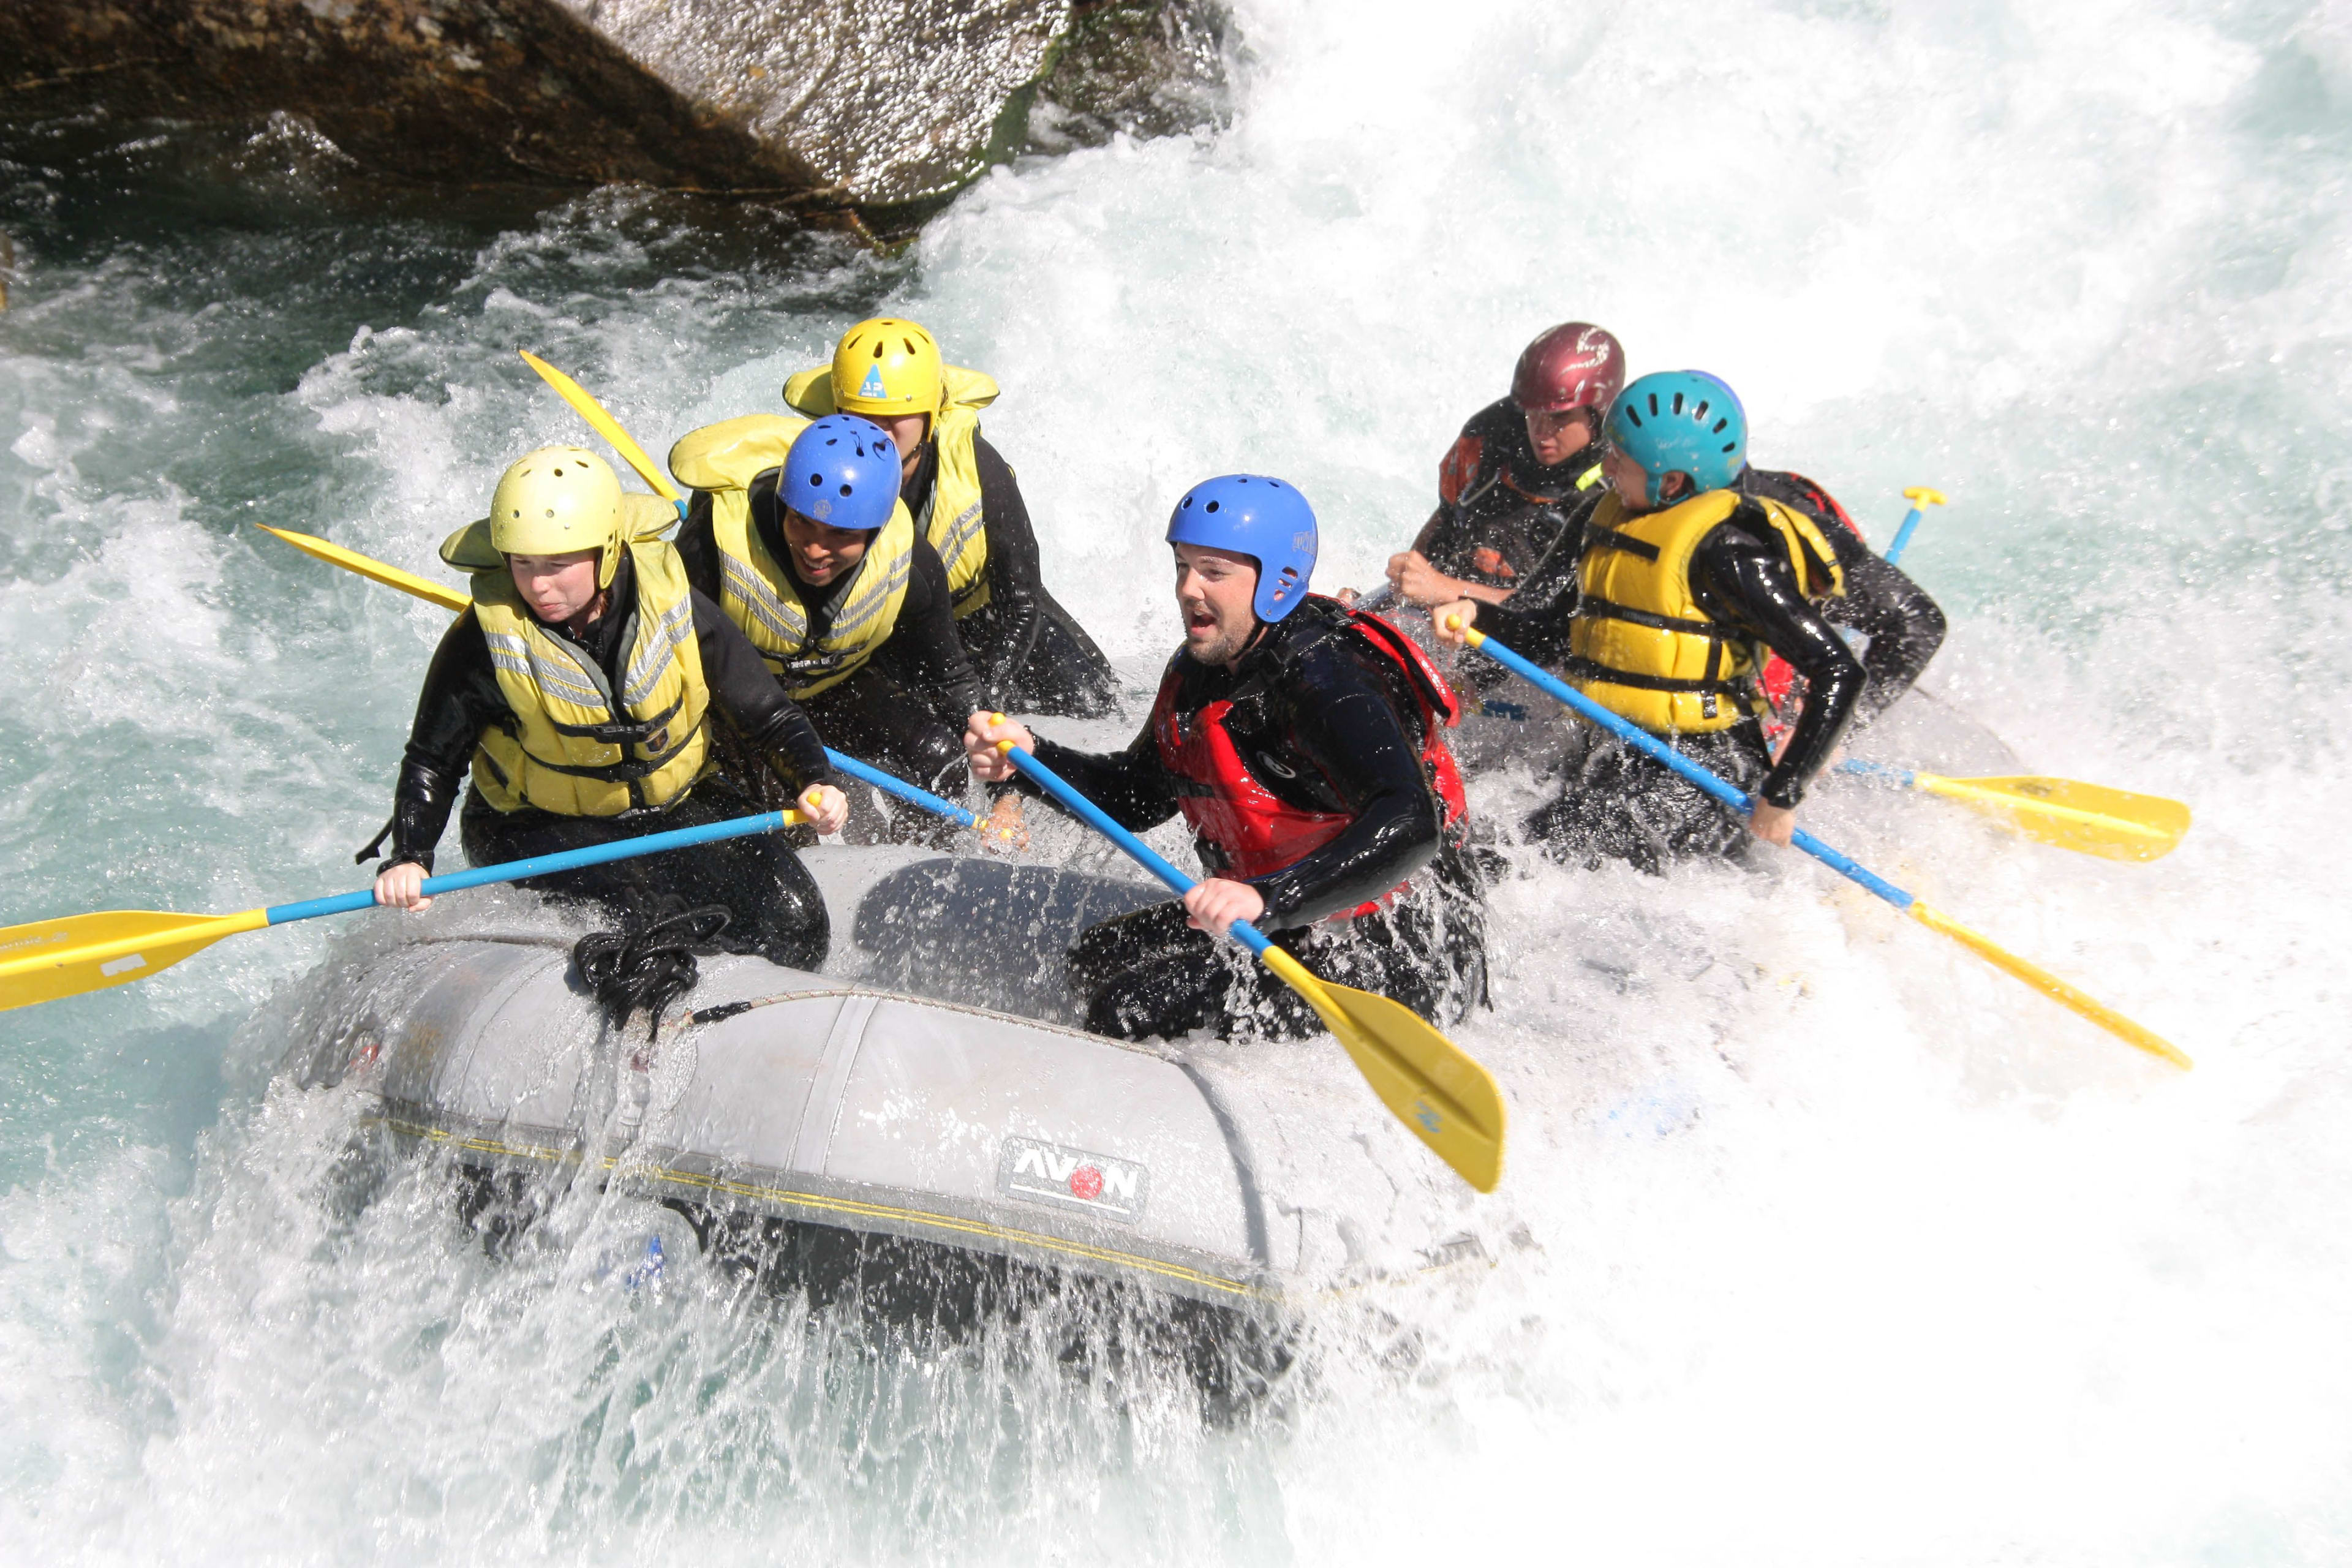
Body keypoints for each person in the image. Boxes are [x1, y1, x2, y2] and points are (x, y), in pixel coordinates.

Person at [967, 475, 1486, 1043]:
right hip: (1297, 918)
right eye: (1182, 567)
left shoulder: (1330, 684)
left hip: (1404, 940)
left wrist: (1265, 898)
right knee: (1096, 957)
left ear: (1279, 583)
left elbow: (1412, 821)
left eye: (1213, 572)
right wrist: (1033, 760)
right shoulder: (1203, 671)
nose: (1188, 589)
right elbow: (1137, 796)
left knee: (1126, 1010)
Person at [370, 447, 851, 968]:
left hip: (672, 804)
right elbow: (432, 761)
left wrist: (814, 780)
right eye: (522, 563)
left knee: (797, 921)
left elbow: (768, 714)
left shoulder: (672, 604)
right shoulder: (482, 641)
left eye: (557, 565)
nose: (537, 585)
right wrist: (411, 857)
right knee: (647, 914)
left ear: (608, 551)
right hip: (533, 824)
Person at [1433, 371, 1863, 871]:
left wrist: (1783, 793)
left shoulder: (1729, 553)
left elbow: (1839, 670)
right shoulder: (1603, 517)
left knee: (1505, 865)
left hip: (1698, 778)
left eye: (1619, 459)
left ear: (1672, 482)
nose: (1605, 467)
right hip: (1615, 755)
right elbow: (1549, 632)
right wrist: (1477, 615)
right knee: (1483, 842)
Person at [670, 412, 990, 842]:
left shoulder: (911, 562)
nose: (815, 550)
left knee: (940, 755)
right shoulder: (711, 548)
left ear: (876, 531)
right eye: (801, 521)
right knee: (788, 814)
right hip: (743, 710)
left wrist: (997, 761)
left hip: (834, 687)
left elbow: (950, 677)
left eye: (840, 534)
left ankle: (923, 854)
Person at [784, 317, 1121, 718]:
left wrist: (989, 697)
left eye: (896, 416)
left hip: (995, 625)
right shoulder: (815, 470)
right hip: (900, 642)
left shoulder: (978, 468)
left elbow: (1021, 604)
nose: (879, 432)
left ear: (929, 414)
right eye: (863, 416)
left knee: (1098, 700)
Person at [1376, 322, 1626, 613]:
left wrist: (1448, 590)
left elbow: (1560, 617)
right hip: (1439, 609)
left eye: (1559, 418)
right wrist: (1401, 586)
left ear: (1598, 414)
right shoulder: (1488, 437)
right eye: (1533, 413)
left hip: (1513, 630)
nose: (1541, 431)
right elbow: (1443, 523)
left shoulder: (1617, 486)